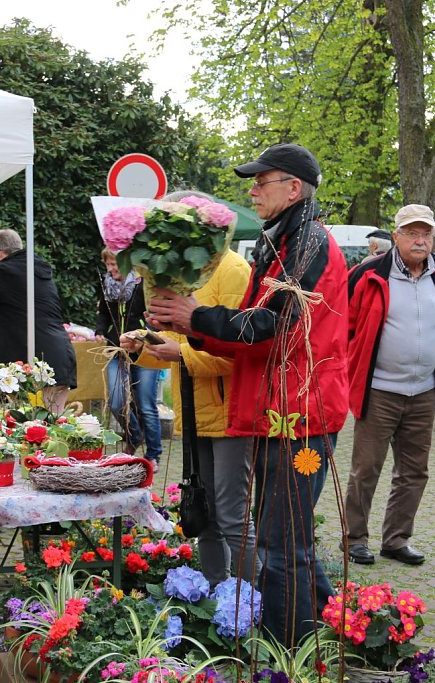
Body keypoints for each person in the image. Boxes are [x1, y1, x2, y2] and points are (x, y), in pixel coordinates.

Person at [146, 143, 349, 645]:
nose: (252, 191)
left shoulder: (308, 243)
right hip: (281, 411)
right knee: (287, 539)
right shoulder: (282, 240)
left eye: (263, 181)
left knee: (284, 547)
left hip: (300, 417)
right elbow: (252, 332)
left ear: (294, 188)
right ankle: (337, 627)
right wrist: (192, 327)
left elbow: (273, 324)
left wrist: (196, 319)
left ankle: (291, 654)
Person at [121, 191, 259, 588]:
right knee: (204, 516)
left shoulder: (233, 271)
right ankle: (218, 597)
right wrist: (142, 346)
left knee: (234, 519)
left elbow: (239, 353)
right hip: (194, 414)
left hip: (231, 415)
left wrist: (178, 352)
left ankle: (258, 604)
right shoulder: (179, 274)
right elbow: (170, 348)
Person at [342, 204, 435, 566]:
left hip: (423, 390)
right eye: (412, 233)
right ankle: (354, 538)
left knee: (414, 472)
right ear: (396, 236)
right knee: (366, 469)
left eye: (426, 234)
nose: (420, 240)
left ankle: (396, 539)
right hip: (379, 390)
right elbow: (343, 325)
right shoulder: (368, 273)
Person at [0, 229, 76, 414]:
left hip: (24, 359)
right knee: (53, 425)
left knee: (16, 431)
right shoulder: (39, 270)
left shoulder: (4, 271)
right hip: (58, 355)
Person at [96, 248, 162, 467]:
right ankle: (134, 435)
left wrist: (144, 335)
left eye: (115, 264)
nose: (111, 269)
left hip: (144, 348)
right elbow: (104, 313)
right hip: (117, 349)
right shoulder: (106, 285)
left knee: (145, 403)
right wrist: (99, 331)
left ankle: (153, 453)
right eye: (108, 264)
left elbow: (154, 318)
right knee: (115, 400)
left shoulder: (143, 284)